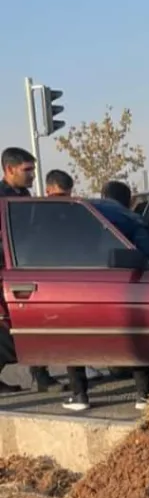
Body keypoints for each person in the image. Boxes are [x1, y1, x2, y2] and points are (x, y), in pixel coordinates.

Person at [63, 180, 149, 413]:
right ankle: (144, 394)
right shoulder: (133, 219)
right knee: (131, 335)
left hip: (82, 284)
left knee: (75, 335)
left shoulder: (86, 211)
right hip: (122, 284)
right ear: (129, 200)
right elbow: (148, 255)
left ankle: (80, 395)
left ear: (103, 194)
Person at [0, 147, 59, 393]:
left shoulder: (23, 195)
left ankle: (41, 374)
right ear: (9, 169)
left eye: (32, 169)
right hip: (6, 271)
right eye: (27, 170)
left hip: (27, 266)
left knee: (34, 321)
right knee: (6, 326)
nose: (33, 175)